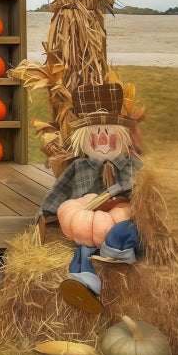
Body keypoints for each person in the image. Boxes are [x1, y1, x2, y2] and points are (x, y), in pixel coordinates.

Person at [38, 82, 143, 313]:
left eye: (108, 134)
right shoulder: (80, 167)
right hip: (87, 216)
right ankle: (84, 283)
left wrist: (123, 190)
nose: (103, 141)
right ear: (83, 139)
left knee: (127, 231)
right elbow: (61, 192)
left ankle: (115, 254)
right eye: (96, 135)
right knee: (85, 247)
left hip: (122, 218)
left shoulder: (133, 167)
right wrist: (44, 216)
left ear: (123, 136)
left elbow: (148, 193)